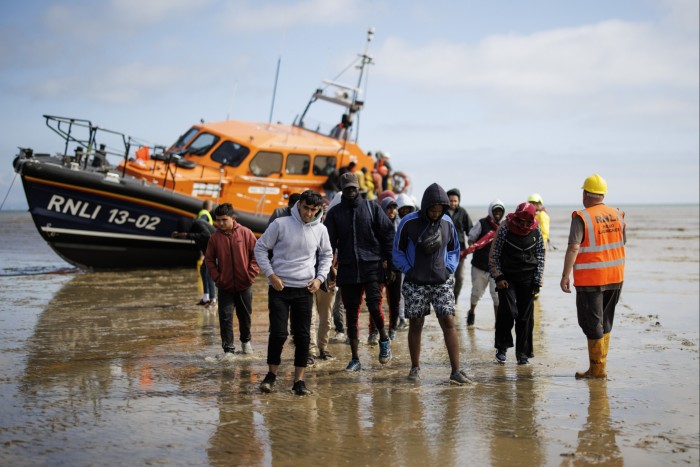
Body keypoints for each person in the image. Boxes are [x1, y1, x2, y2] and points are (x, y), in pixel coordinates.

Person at [254, 190, 333, 395]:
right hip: (279, 288)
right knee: (279, 333)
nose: (308, 213)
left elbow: (326, 255)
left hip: (305, 289)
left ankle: (299, 381)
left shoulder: (321, 230)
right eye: (305, 208)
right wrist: (271, 275)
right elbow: (260, 248)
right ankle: (271, 375)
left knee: (303, 335)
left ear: (319, 210)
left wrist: (319, 279)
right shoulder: (280, 224)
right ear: (299, 205)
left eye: (313, 210)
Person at [392, 183, 471, 384]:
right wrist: (409, 270)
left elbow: (455, 249)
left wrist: (448, 270)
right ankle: (415, 368)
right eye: (432, 210)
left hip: (442, 282)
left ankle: (456, 371)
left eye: (439, 210)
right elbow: (397, 252)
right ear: (425, 206)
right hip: (415, 282)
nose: (436, 214)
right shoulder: (408, 223)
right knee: (416, 323)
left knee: (448, 321)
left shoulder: (447, 222)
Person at [324, 172, 395, 372]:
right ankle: (355, 358)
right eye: (347, 189)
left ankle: (383, 337)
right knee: (351, 313)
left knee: (374, 306)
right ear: (342, 190)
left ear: (358, 188)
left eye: (353, 188)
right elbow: (328, 243)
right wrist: (329, 267)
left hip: (371, 265)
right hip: (347, 268)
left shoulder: (372, 208)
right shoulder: (335, 213)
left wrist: (390, 264)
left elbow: (388, 234)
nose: (350, 191)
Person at [560, 174, 625, 379]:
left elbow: (573, 247)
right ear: (602, 194)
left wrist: (565, 275)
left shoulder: (582, 216)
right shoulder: (618, 214)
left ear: (586, 194)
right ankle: (600, 367)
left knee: (590, 322)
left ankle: (597, 370)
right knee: (605, 321)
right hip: (615, 275)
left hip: (592, 279)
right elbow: (622, 242)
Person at [489, 202, 545, 365]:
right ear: (516, 218)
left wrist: (537, 280)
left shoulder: (536, 230)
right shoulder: (505, 229)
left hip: (528, 279)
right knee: (507, 312)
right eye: (522, 221)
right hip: (507, 278)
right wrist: (498, 277)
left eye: (528, 222)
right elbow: (494, 255)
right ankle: (502, 348)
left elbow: (540, 255)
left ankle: (523, 354)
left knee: (525, 318)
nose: (525, 225)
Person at [204, 203, 259, 358]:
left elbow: (256, 255)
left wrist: (250, 274)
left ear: (232, 218)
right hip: (225, 286)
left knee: (245, 316)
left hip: (244, 284)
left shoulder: (246, 233)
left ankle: (246, 342)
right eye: (218, 220)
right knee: (225, 318)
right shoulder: (214, 238)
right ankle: (228, 350)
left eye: (224, 220)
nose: (220, 223)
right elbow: (209, 260)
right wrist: (217, 278)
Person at [465, 200, 505, 326]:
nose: (497, 213)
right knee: (476, 293)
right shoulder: (482, 223)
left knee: (497, 297)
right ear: (491, 211)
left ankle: (498, 323)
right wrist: (473, 246)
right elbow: (471, 238)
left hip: (497, 269)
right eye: (495, 210)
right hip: (479, 266)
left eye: (500, 211)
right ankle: (471, 312)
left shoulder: (504, 226)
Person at [172, 216, 216, 306]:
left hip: (217, 249)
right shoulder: (191, 228)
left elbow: (207, 235)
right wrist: (177, 235)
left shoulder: (198, 223)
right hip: (208, 251)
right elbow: (188, 234)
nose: (185, 233)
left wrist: (187, 235)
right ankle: (205, 298)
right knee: (203, 270)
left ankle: (213, 300)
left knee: (209, 274)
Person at [445, 188, 473, 304]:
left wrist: (473, 244)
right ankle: (447, 299)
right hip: (444, 251)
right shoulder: (442, 212)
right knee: (447, 277)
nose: (453, 203)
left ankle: (455, 298)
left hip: (460, 251)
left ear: (459, 201)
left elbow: (470, 230)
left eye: (455, 201)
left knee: (460, 277)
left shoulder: (463, 212)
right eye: (450, 201)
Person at [395, 193, 417, 330]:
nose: (404, 211)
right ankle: (402, 318)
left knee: (415, 292)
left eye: (407, 208)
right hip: (399, 262)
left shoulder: (416, 221)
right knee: (401, 292)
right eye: (401, 209)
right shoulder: (393, 222)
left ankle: (414, 317)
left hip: (414, 263)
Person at [196, 200, 216, 307]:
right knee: (206, 270)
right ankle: (209, 298)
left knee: (207, 271)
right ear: (210, 207)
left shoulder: (201, 213)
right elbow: (202, 226)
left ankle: (210, 298)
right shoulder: (204, 214)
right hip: (208, 245)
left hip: (208, 246)